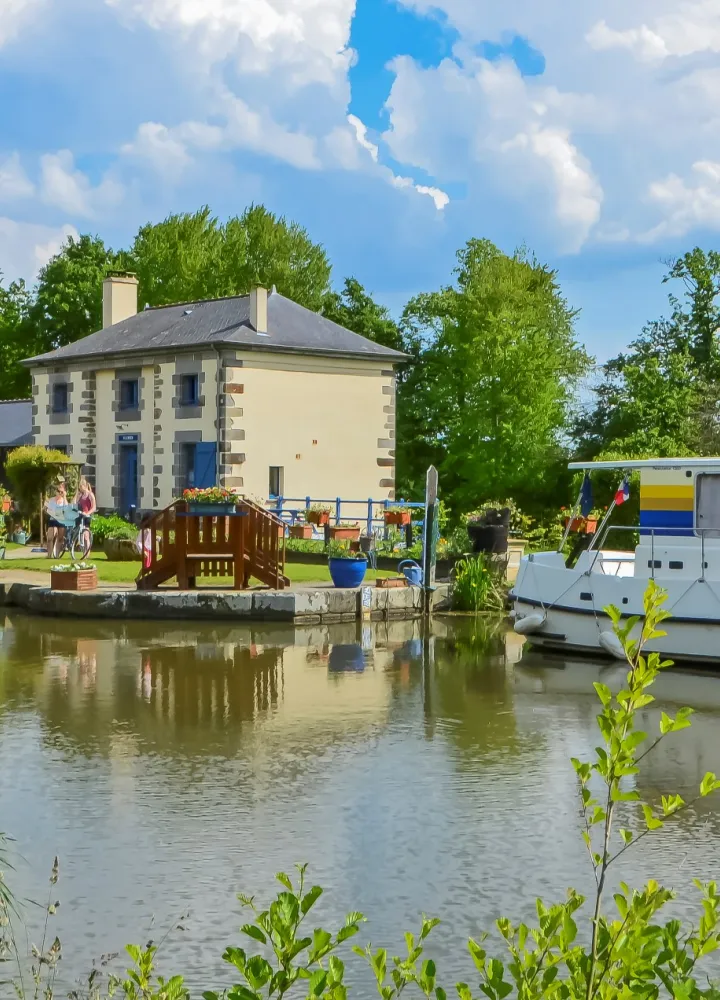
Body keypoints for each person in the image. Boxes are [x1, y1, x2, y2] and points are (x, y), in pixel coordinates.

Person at [45, 481, 70, 559]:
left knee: (60, 538)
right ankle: (49, 555)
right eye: (58, 491)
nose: (59, 493)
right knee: (50, 538)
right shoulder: (51, 500)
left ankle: (57, 555)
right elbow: (45, 509)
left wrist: (65, 496)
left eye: (61, 492)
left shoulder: (63, 501)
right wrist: (47, 510)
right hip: (52, 519)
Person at [74, 478, 96, 558]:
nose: (80, 489)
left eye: (81, 487)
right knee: (81, 533)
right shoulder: (80, 495)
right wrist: (76, 494)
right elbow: (75, 504)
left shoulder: (90, 495)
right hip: (80, 515)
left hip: (87, 516)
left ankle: (87, 554)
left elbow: (94, 507)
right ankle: (82, 550)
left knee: (86, 535)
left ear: (85, 486)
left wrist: (87, 513)